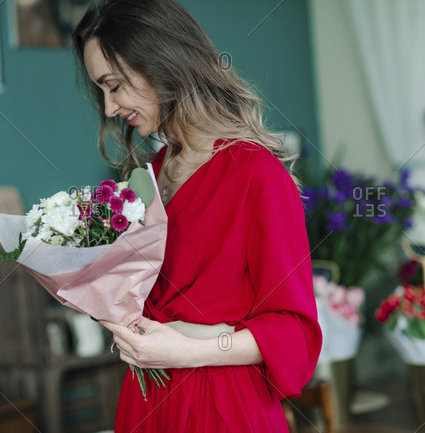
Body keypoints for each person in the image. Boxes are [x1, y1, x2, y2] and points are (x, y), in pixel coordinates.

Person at [72, 0, 322, 432]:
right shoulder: (150, 175)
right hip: (147, 399)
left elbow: (294, 332)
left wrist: (187, 351)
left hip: (223, 407)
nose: (110, 108)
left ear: (161, 64)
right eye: (102, 91)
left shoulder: (255, 174)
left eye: (115, 86)